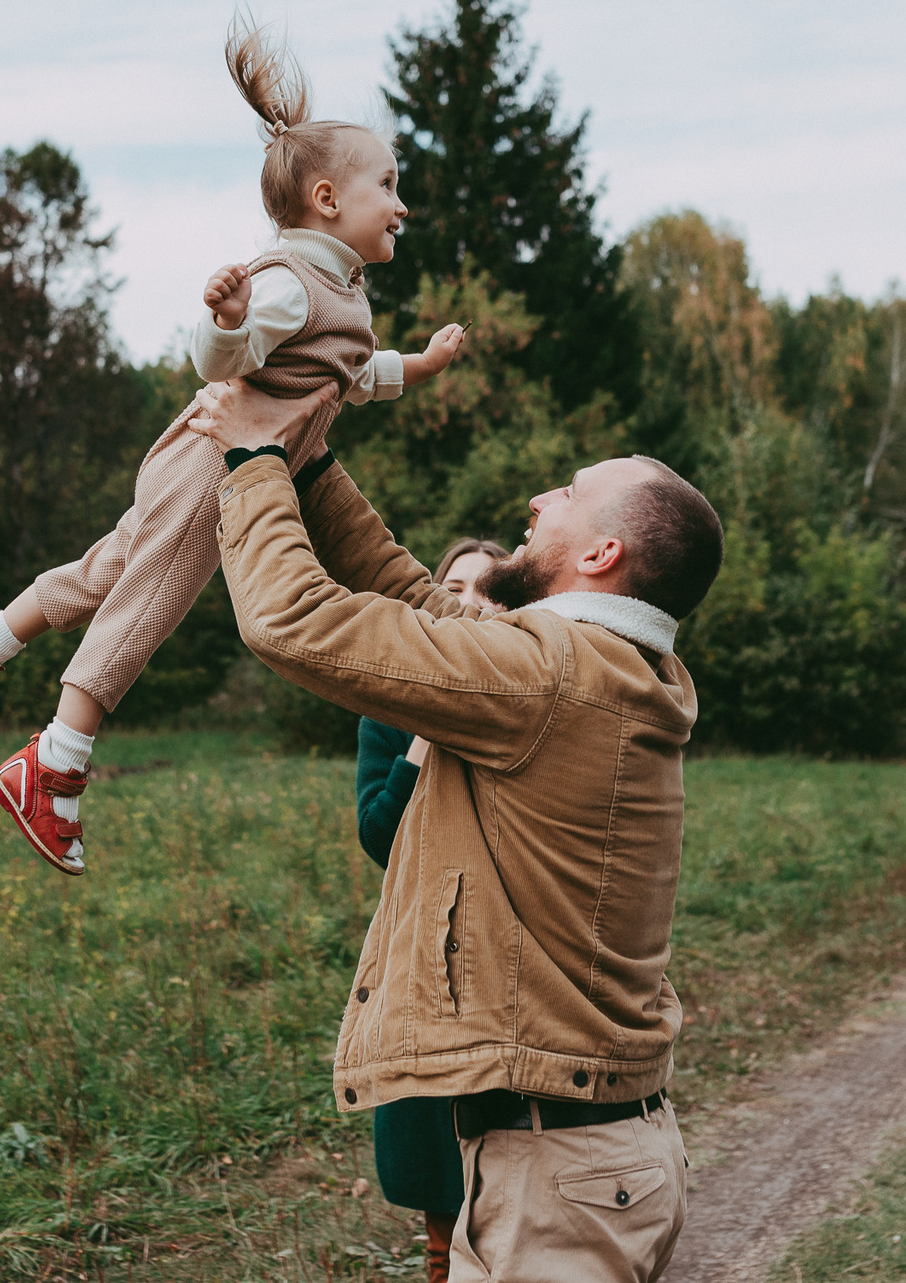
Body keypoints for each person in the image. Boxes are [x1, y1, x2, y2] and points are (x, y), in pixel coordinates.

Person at [191, 379, 724, 1283]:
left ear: (601, 550)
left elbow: (294, 620)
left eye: (569, 490)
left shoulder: (550, 677)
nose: (539, 499)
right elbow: (415, 594)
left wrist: (250, 461)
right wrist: (310, 459)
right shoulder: (612, 664)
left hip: (558, 1182)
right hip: (587, 1161)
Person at [0, 18, 467, 876]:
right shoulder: (287, 283)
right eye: (389, 185)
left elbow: (352, 374)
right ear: (328, 201)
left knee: (107, 570)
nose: (403, 204)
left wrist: (420, 365)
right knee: (148, 598)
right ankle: (53, 764)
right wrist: (225, 321)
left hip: (204, 456)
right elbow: (223, 361)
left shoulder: (340, 294)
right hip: (219, 457)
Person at [355, 537, 507, 1283]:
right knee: (443, 1221)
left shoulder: (526, 703)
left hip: (512, 969)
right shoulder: (389, 707)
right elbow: (381, 835)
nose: (470, 601)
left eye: (489, 589)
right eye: (455, 585)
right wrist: (424, 734)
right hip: (429, 968)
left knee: (516, 1199)